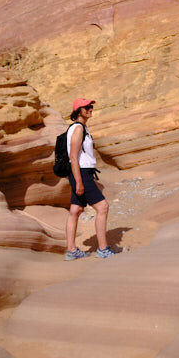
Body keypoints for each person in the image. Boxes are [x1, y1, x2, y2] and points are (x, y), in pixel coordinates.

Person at [63, 98, 113, 260]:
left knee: (75, 210)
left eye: (91, 107)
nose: (90, 109)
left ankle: (71, 250)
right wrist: (79, 180)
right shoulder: (78, 129)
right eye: (87, 107)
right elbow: (73, 157)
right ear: (78, 111)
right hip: (81, 173)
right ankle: (103, 249)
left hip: (80, 173)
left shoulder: (80, 128)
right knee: (103, 207)